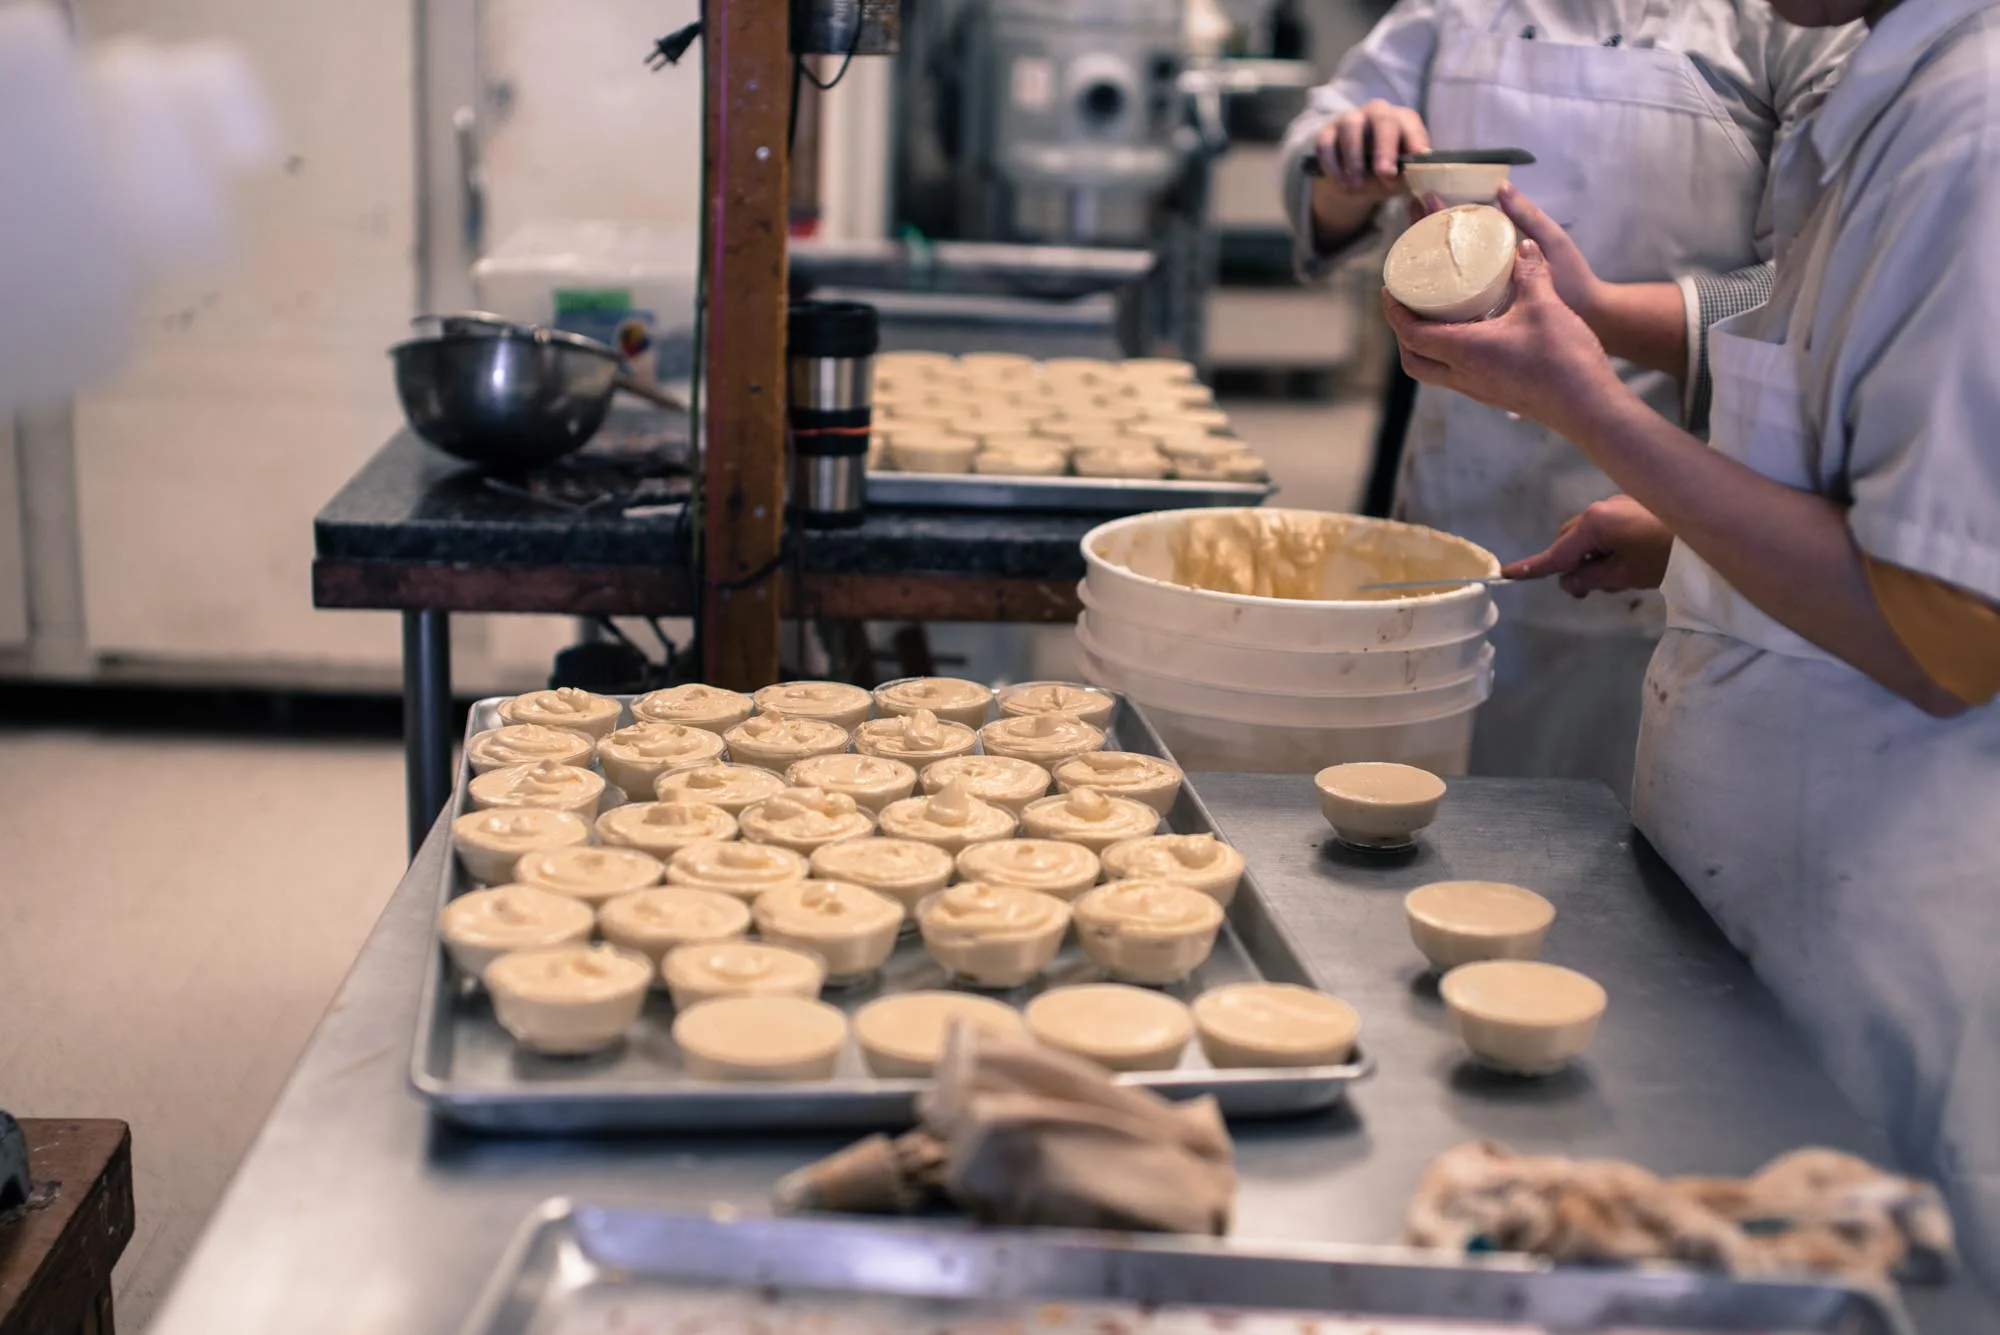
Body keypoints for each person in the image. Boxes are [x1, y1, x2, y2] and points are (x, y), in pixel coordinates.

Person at [1381, 0, 2000, 1280]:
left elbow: (1948, 631)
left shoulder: (1973, 129)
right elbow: (1805, 318)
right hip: (1779, 841)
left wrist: (1592, 410)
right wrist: (1602, 315)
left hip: (1874, 894)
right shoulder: (1880, 77)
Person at [1281, 2, 1860, 795]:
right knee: (1428, 809)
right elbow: (1319, 168)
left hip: (1662, 518)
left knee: (1609, 826)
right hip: (1457, 491)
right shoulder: (1455, 11)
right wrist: (1347, 160)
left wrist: (1598, 314)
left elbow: (1817, 294)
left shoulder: (1785, 20)